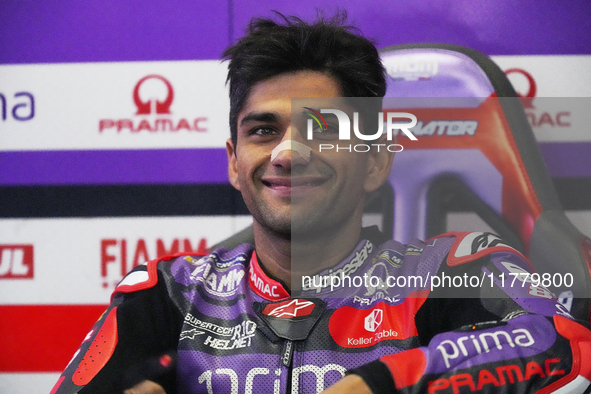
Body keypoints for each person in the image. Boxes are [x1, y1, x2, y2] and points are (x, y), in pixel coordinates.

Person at [52, 13, 591, 394]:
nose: (288, 153)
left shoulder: (450, 268)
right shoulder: (167, 292)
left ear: (376, 162)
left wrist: (383, 383)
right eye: (264, 130)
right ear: (234, 163)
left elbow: (567, 345)